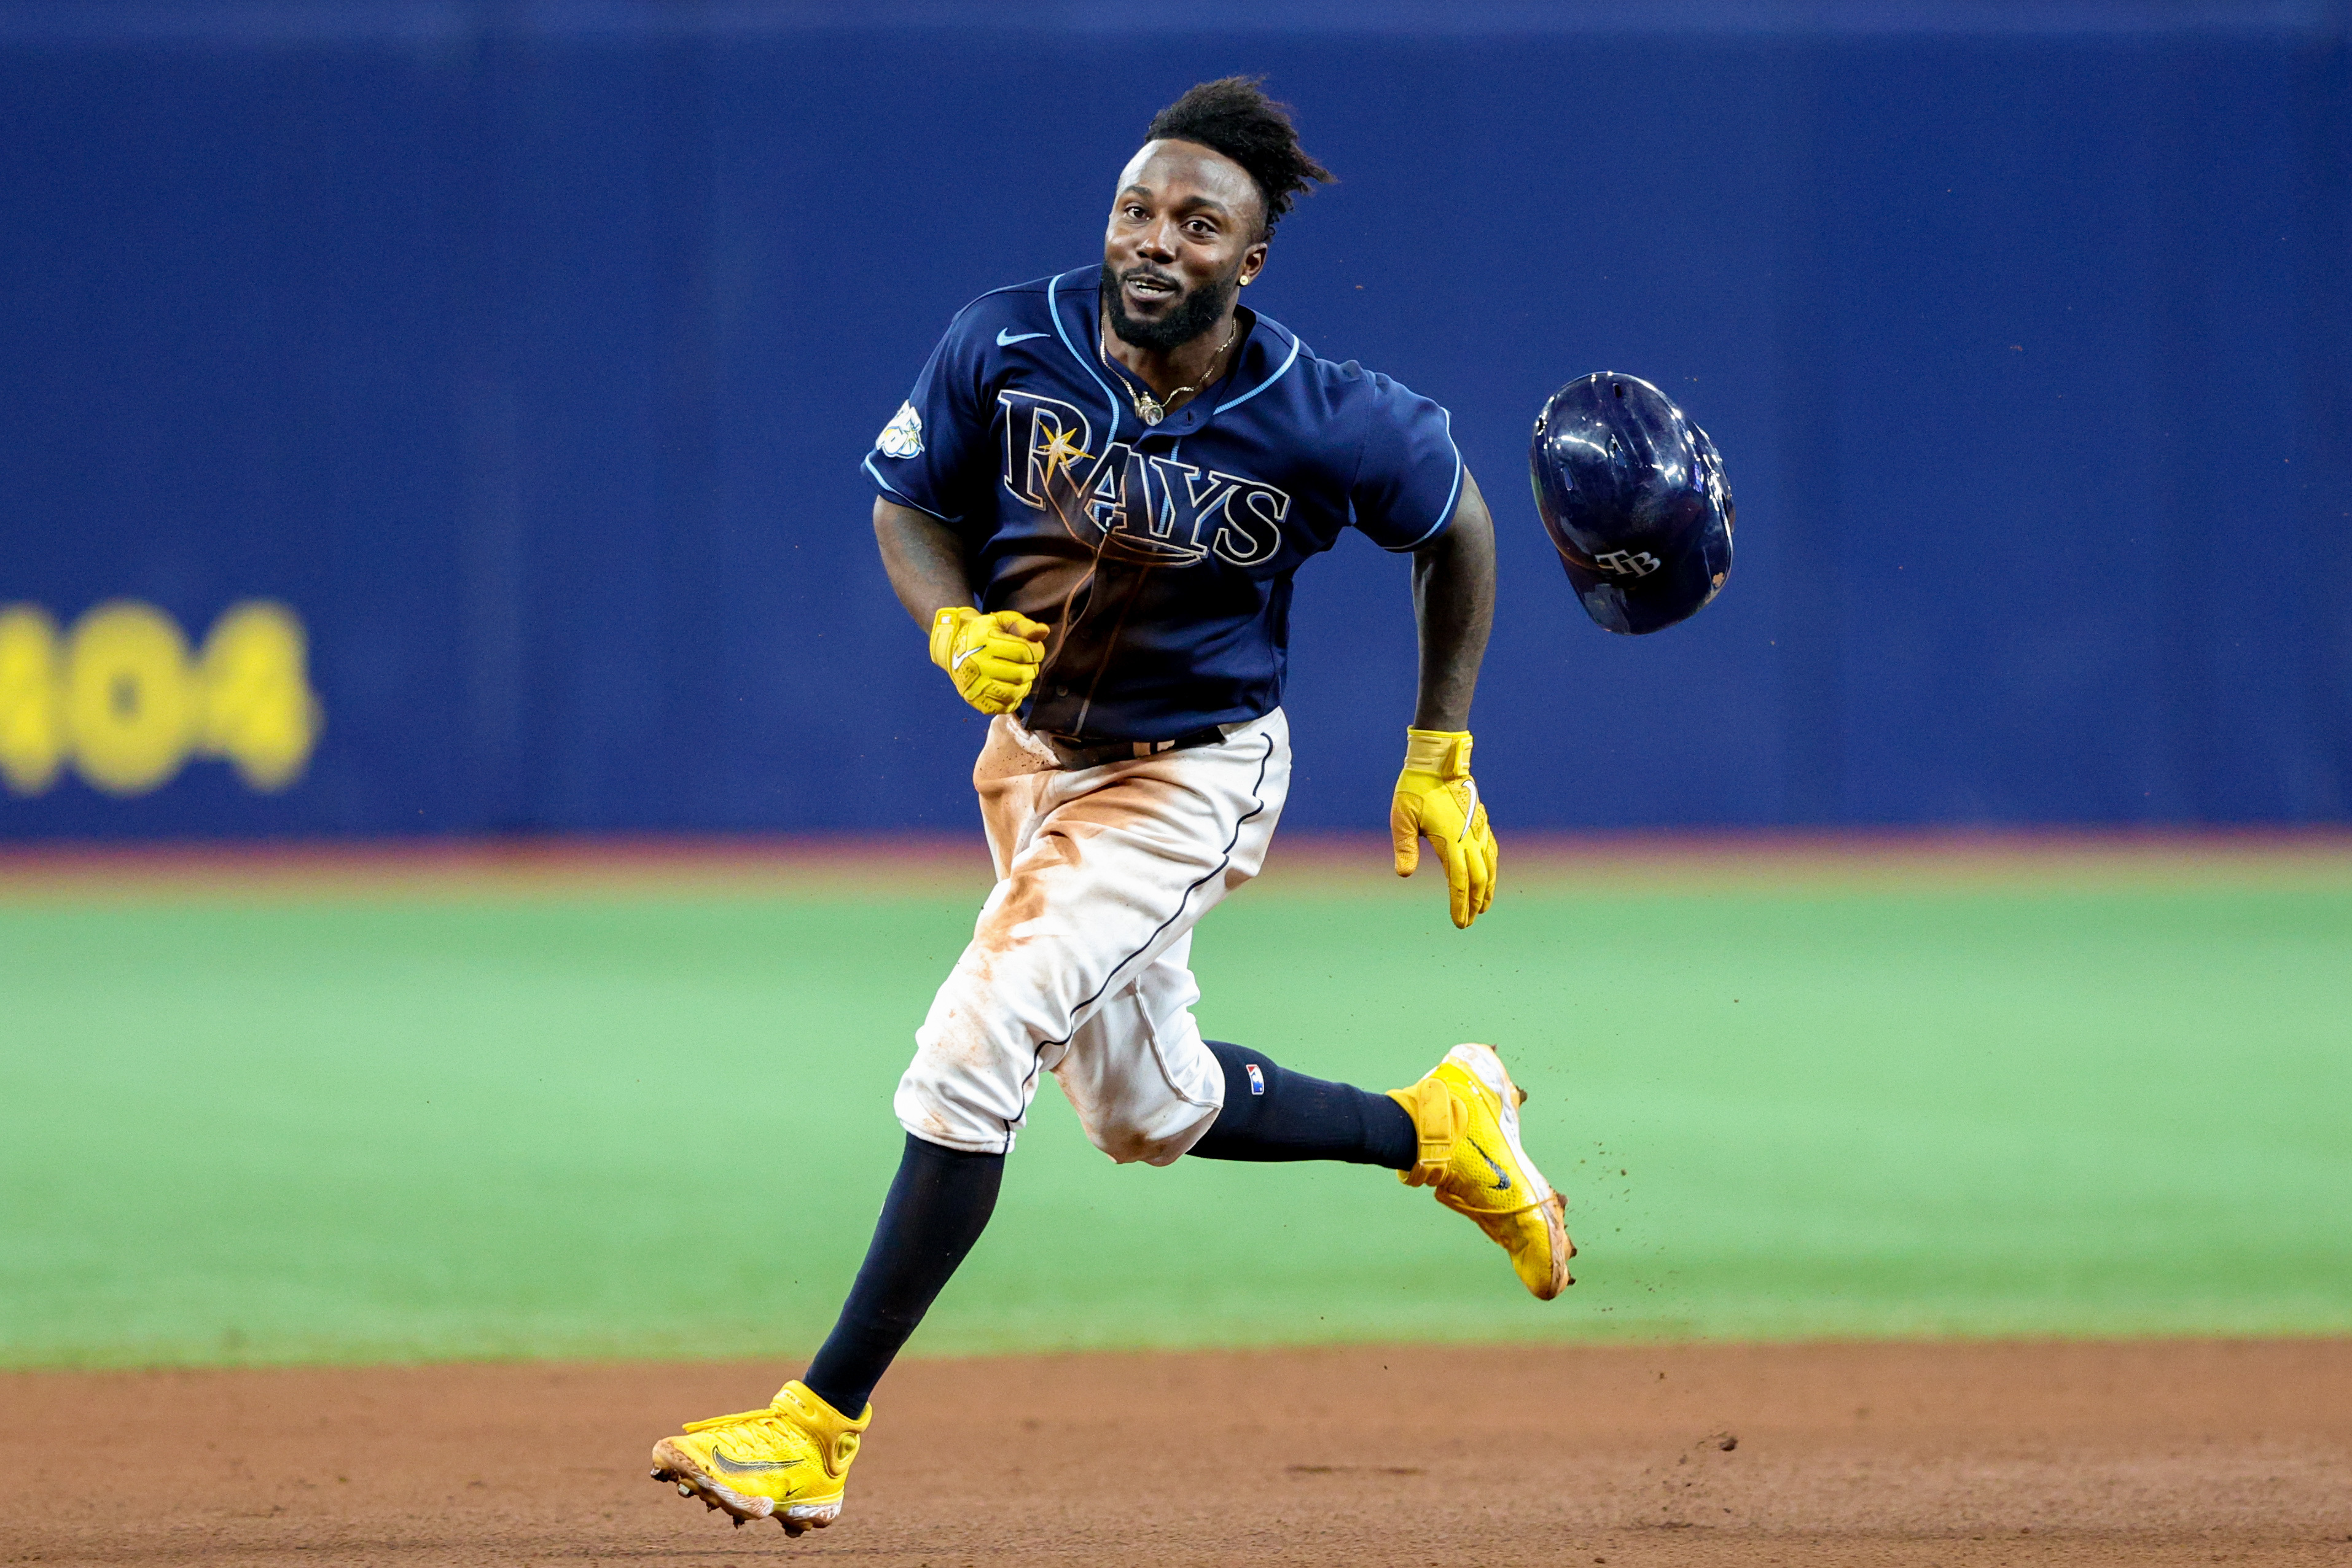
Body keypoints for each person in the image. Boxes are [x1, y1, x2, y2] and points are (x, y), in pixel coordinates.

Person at [649, 76, 1573, 1537]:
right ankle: (1440, 1124)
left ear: (1249, 263)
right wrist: (952, 625)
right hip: (1037, 762)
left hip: (1190, 770)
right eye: (1135, 208)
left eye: (1196, 223)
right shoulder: (1007, 341)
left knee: (976, 1033)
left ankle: (816, 1424)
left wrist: (1439, 749)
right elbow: (909, 503)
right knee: (1147, 1107)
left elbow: (1455, 523)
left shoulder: (1322, 415)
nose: (1152, 239)